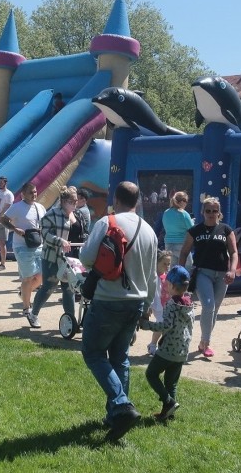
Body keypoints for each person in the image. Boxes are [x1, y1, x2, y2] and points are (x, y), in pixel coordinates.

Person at [79, 181, 158, 442]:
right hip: (135, 302)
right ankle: (116, 415)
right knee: (120, 357)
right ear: (138, 200)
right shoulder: (149, 230)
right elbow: (152, 276)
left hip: (108, 299)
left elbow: (87, 258)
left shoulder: (107, 222)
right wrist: (146, 308)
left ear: (116, 198)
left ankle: (122, 404)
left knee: (93, 352)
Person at [177, 197, 237, 358]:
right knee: (208, 306)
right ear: (203, 212)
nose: (211, 214)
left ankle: (203, 342)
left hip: (223, 275)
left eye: (214, 211)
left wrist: (232, 270)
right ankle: (206, 342)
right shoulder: (195, 230)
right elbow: (184, 251)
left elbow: (233, 252)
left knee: (214, 309)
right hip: (203, 272)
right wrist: (181, 270)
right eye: (208, 211)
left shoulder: (226, 229)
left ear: (219, 213)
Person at [143, 265, 195, 421]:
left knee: (151, 374)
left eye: (167, 284)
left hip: (168, 350)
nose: (165, 287)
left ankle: (168, 401)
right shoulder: (189, 304)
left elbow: (165, 326)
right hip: (182, 351)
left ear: (172, 286)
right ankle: (168, 414)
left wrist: (146, 325)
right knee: (171, 383)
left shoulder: (172, 304)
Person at [25, 186, 78, 329]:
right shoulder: (51, 214)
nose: (75, 204)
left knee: (69, 288)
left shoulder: (72, 216)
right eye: (72, 201)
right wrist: (61, 242)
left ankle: (70, 321)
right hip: (50, 258)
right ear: (63, 201)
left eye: (76, 201)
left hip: (65, 259)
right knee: (48, 287)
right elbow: (45, 235)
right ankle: (33, 314)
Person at [0, 183, 45, 313]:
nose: (34, 194)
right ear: (23, 194)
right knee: (28, 278)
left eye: (35, 192)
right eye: (31, 192)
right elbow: (3, 220)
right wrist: (14, 229)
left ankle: (24, 292)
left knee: (41, 276)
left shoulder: (40, 207)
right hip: (22, 246)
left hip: (38, 246)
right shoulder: (17, 207)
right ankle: (26, 308)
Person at [147, 250, 173, 356]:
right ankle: (153, 345)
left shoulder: (167, 276)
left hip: (162, 304)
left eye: (169, 264)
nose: (167, 266)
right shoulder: (151, 275)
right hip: (153, 302)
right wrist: (147, 305)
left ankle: (154, 345)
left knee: (162, 323)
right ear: (156, 263)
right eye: (164, 264)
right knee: (162, 323)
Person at [162, 191, 194, 267]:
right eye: (186, 201)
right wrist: (192, 222)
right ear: (182, 201)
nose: (186, 203)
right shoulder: (184, 213)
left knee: (172, 271)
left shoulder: (166, 212)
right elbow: (192, 230)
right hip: (181, 245)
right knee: (188, 269)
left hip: (168, 245)